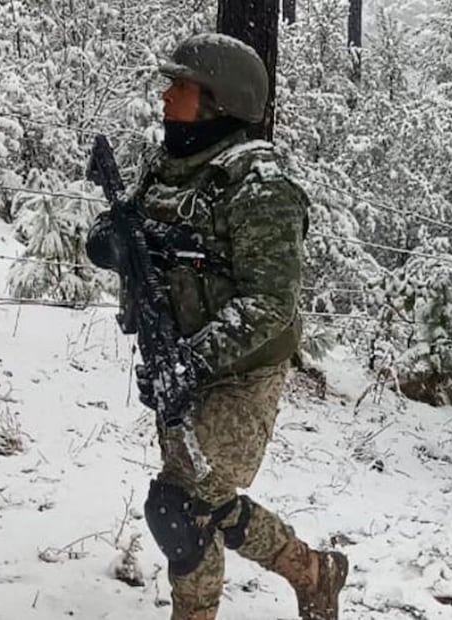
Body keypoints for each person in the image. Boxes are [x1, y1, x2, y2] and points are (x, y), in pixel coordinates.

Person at [85, 33, 346, 620]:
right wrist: (118, 242)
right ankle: (313, 570)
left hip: (241, 375)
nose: (165, 95)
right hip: (177, 356)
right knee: (208, 498)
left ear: (217, 100)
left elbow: (270, 302)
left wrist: (192, 361)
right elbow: (122, 232)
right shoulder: (172, 163)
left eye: (180, 85)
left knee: (179, 507)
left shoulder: (260, 186)